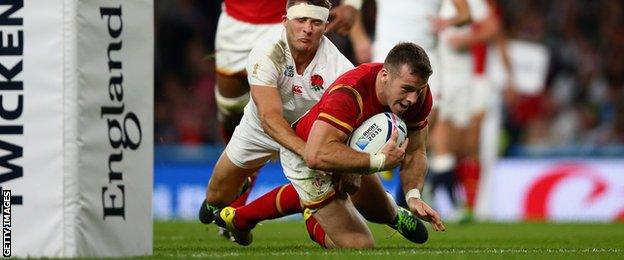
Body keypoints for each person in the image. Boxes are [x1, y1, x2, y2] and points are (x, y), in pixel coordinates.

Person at [215, 43, 445, 248]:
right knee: (359, 245)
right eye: (406, 89)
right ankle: (300, 211)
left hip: (349, 146)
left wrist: (413, 195)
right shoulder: (349, 93)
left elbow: (416, 151)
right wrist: (377, 162)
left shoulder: (418, 96)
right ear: (385, 76)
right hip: (309, 156)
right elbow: (316, 155)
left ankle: (394, 213)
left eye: (419, 89)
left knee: (378, 211)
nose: (412, 99)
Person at [199, 0, 357, 234]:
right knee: (230, 107)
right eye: (306, 21)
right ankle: (240, 175)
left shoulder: (335, 61)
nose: (309, 27)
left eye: (315, 23)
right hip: (238, 19)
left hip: (284, 15)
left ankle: (247, 204)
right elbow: (269, 118)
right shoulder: (267, 48)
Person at [348, 0, 471, 207]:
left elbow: (465, 14)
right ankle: (372, 180)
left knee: (426, 123)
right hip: (390, 55)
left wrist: (447, 22)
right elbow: (350, 6)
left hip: (426, 59)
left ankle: (404, 194)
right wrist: (359, 38)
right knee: (377, 122)